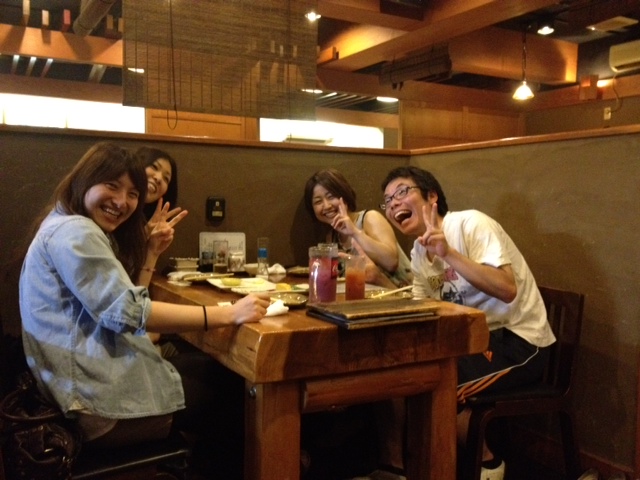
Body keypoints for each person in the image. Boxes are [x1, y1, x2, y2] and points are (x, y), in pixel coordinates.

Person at [19, 142, 270, 472]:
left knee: (215, 373)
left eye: (132, 193)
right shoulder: (76, 232)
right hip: (99, 407)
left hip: (78, 390)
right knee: (241, 389)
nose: (121, 201)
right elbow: (129, 311)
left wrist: (151, 252)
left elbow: (123, 306)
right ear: (85, 180)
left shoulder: (63, 222)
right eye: (112, 186)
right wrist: (230, 313)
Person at [351, 166, 556, 480]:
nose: (393, 204)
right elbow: (421, 307)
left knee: (434, 383)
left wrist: (448, 253)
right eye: (387, 201)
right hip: (473, 341)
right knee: (405, 371)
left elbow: (507, 288)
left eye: (402, 192)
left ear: (432, 196)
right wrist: (379, 281)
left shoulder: (470, 224)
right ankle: (404, 467)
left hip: (520, 341)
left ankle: (487, 464)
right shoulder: (418, 251)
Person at [304, 168, 412, 288]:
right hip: (366, 297)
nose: (326, 206)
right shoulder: (331, 237)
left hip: (402, 294)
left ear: (344, 195)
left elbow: (391, 262)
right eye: (318, 202)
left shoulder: (369, 218)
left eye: (331, 197)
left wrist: (354, 232)